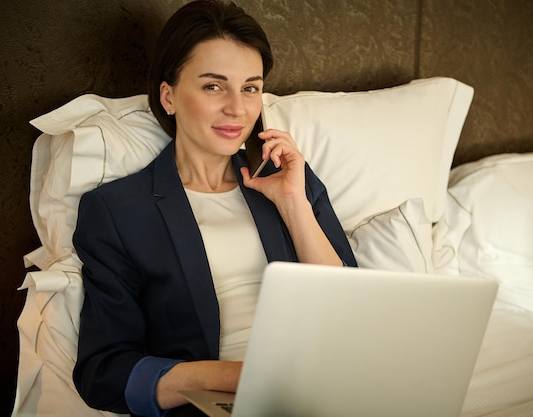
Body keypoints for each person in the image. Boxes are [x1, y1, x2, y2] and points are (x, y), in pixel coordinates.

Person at [72, 0, 357, 415]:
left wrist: (294, 203)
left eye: (250, 88)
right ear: (168, 96)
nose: (237, 109)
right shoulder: (117, 211)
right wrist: (236, 376)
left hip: (329, 393)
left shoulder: (290, 180)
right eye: (213, 86)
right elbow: (104, 373)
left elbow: (353, 313)